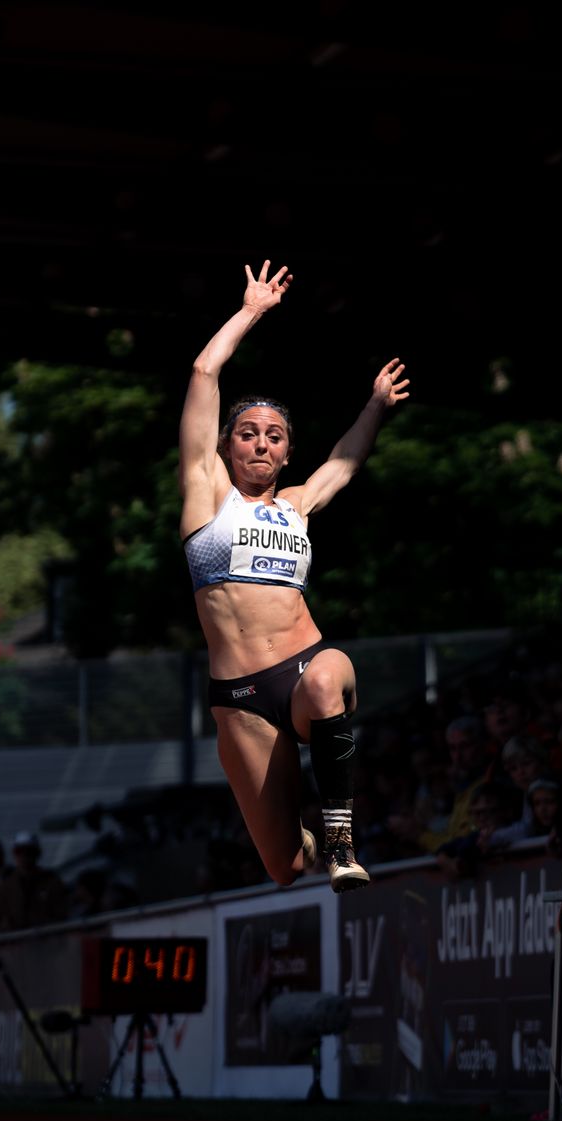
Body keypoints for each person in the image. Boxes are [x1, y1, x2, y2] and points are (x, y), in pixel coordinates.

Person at [179, 260, 408, 893]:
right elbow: (204, 372)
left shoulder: (297, 506)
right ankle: (309, 845)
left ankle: (340, 838)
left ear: (286, 451)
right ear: (226, 448)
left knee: (329, 676)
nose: (259, 444)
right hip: (242, 698)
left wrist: (376, 406)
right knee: (283, 867)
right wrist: (252, 311)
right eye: (247, 434)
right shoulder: (207, 496)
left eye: (273, 436)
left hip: (305, 664)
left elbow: (345, 463)